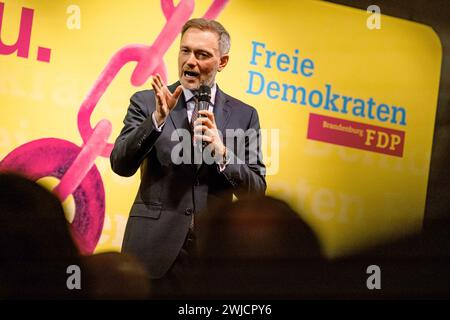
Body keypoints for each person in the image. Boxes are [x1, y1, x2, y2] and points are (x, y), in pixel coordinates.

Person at [110, 18, 266, 296]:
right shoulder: (147, 101)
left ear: (223, 61)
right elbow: (120, 164)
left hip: (209, 260)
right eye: (185, 51)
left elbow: (256, 190)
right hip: (150, 254)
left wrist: (222, 152)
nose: (190, 61)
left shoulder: (245, 115)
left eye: (202, 54)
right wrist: (157, 120)